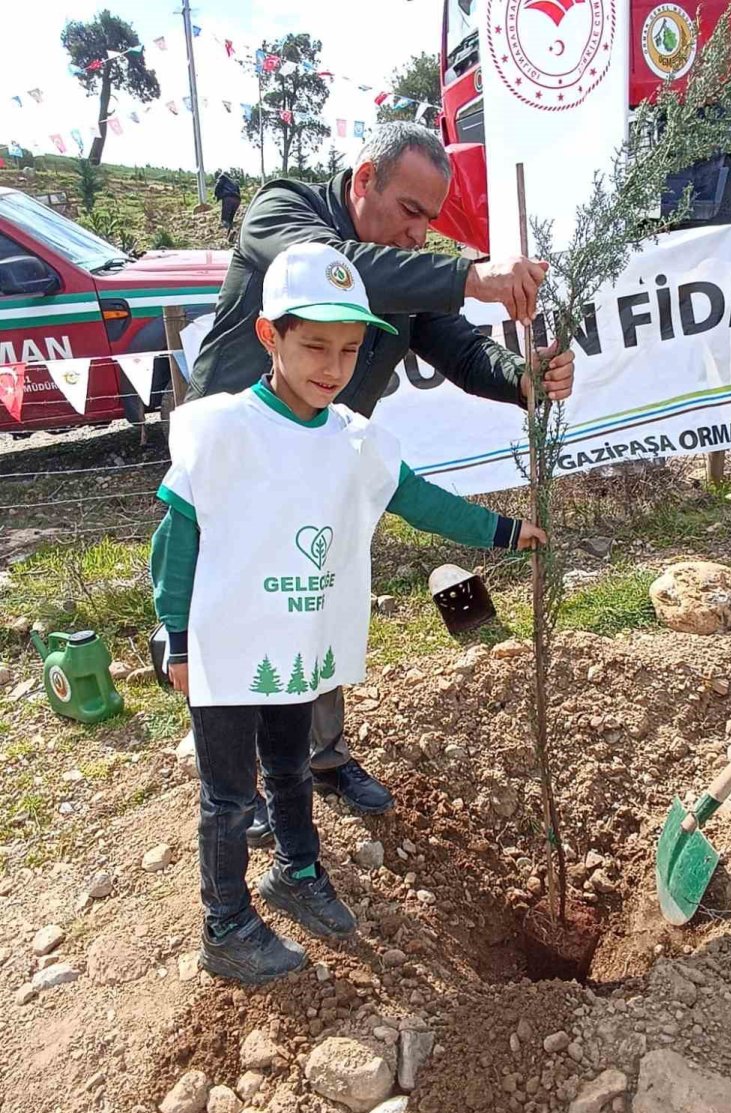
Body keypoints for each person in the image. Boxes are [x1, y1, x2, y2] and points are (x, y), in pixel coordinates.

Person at [150, 243, 546, 983]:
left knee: (293, 765)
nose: (333, 366)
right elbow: (177, 541)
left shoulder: (352, 439)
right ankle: (225, 923)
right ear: (270, 336)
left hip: (294, 644)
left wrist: (501, 531)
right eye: (315, 346)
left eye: (350, 349)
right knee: (231, 796)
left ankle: (297, 873)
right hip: (227, 651)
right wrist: (175, 638)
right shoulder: (222, 431)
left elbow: (419, 500)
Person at [186, 122, 575, 841]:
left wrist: (526, 380)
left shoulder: (404, 263)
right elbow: (340, 266)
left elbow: (458, 347)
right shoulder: (283, 212)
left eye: (432, 220)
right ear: (363, 179)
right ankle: (242, 789)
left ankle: (324, 760)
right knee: (240, 613)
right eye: (410, 211)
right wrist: (469, 274)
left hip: (321, 463)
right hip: (236, 462)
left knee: (319, 595)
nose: (420, 232)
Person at [213, 171, 241, 238]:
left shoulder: (222, 178)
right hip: (237, 200)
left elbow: (217, 186)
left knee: (224, 219)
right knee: (230, 220)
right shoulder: (234, 182)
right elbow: (238, 191)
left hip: (228, 199)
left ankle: (229, 233)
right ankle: (229, 235)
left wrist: (215, 195)